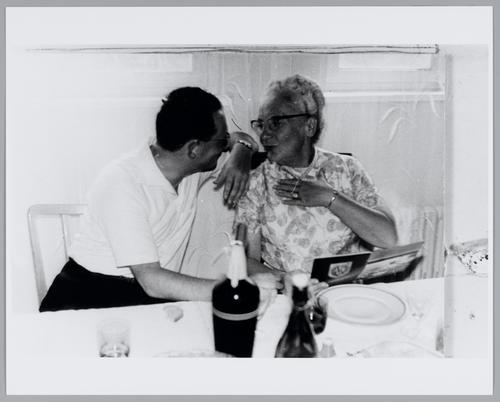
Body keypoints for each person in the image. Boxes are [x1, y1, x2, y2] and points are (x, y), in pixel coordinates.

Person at [40, 86, 259, 312]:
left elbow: (243, 140)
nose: (225, 147)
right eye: (221, 141)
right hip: (88, 298)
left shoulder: (187, 164)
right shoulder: (122, 183)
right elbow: (152, 280)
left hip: (144, 294)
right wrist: (233, 292)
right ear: (194, 148)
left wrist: (241, 151)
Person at [235, 74, 398, 277]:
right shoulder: (256, 183)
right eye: (261, 124)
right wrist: (287, 281)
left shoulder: (348, 169)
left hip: (344, 288)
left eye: (276, 122)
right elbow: (244, 261)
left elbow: (388, 238)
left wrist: (330, 198)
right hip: (288, 290)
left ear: (309, 126)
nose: (264, 135)